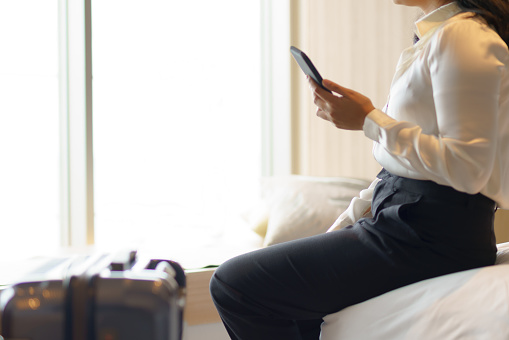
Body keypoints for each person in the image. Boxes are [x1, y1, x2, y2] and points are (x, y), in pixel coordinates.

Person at [209, 1, 509, 339]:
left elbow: (468, 169)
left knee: (234, 285)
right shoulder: (440, 34)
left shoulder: (464, 36)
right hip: (410, 221)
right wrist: (348, 220)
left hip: (431, 234)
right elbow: (405, 169)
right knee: (284, 303)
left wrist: (368, 119)